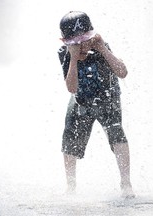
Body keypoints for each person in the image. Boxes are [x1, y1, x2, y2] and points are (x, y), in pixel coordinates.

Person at [57, 11, 135, 198]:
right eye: (75, 43)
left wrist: (103, 49)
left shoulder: (101, 47)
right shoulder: (65, 54)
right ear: (65, 42)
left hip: (107, 98)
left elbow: (122, 72)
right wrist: (74, 58)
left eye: (86, 39)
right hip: (80, 98)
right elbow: (71, 87)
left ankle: (126, 183)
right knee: (69, 139)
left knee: (117, 133)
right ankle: (71, 185)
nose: (82, 46)